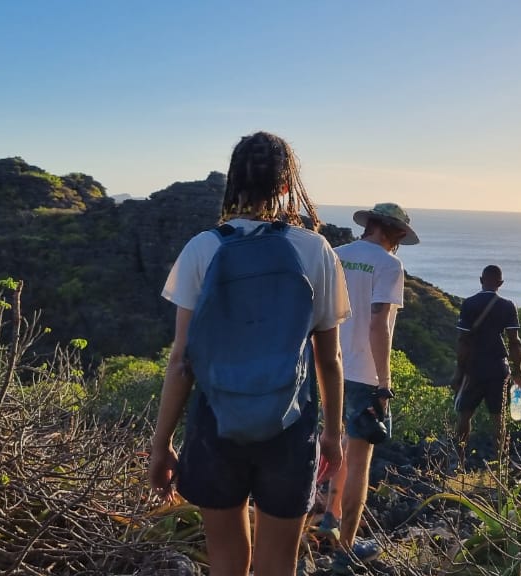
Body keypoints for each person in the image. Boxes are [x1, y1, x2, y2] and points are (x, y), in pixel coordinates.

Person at [148, 132, 349, 576]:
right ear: (285, 187)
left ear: (233, 181)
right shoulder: (314, 249)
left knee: (225, 561)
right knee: (278, 564)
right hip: (290, 428)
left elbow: (182, 360)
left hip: (215, 425)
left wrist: (160, 445)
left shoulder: (204, 247)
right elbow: (329, 359)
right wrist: (333, 434)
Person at [320, 202, 419, 573]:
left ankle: (328, 517)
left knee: (332, 445)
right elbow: (380, 323)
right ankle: (346, 547)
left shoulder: (335, 255)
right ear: (394, 233)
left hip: (326, 368)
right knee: (359, 460)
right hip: (363, 373)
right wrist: (385, 381)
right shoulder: (390, 266)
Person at [452, 265, 521, 460]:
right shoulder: (508, 305)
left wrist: (459, 371)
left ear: (481, 280)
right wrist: (518, 373)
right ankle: (501, 460)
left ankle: (459, 460)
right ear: (500, 283)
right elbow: (515, 342)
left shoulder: (469, 304)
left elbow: (462, 341)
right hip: (498, 368)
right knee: (498, 417)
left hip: (473, 368)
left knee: (464, 415)